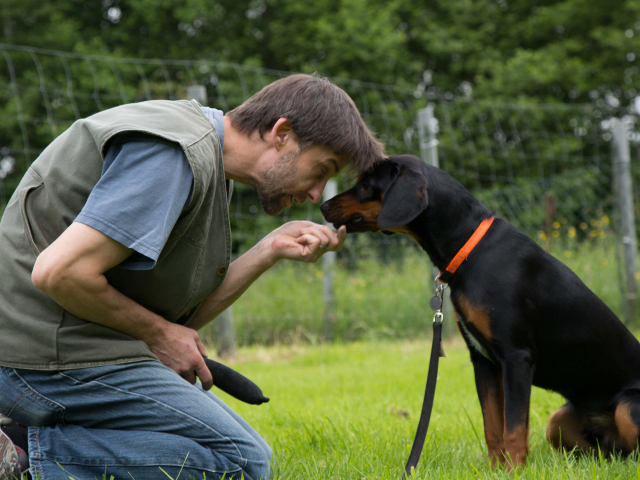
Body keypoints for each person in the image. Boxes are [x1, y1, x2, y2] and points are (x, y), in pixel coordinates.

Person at [0, 74, 385, 480]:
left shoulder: (210, 164)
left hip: (77, 347)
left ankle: (32, 437)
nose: (316, 193)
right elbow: (59, 272)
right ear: (282, 133)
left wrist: (270, 249)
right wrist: (159, 334)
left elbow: (178, 320)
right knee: (241, 461)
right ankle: (23, 455)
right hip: (38, 359)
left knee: (233, 453)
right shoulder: (174, 155)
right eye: (321, 170)